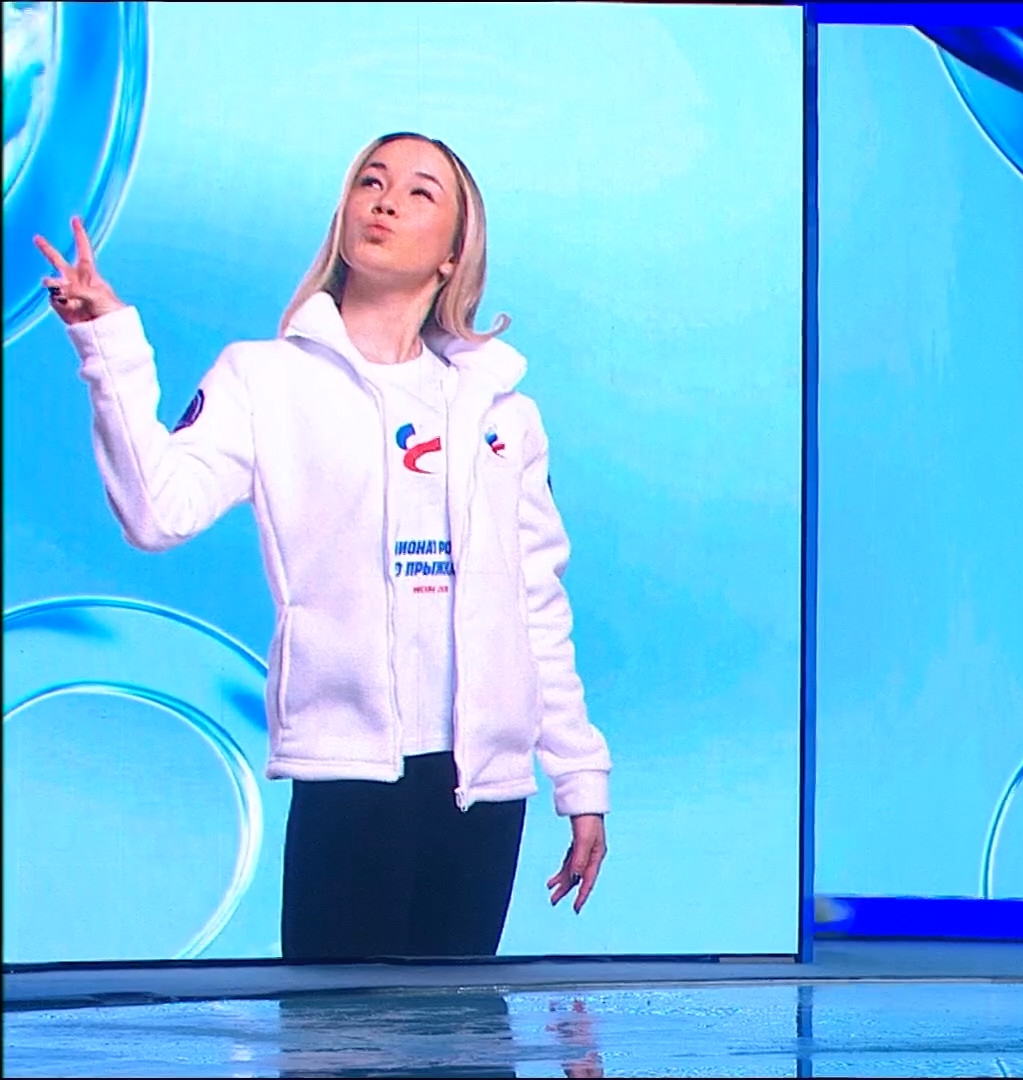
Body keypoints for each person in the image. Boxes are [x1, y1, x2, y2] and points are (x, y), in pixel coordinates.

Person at [34, 132, 612, 961]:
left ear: (454, 254)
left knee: (461, 1030)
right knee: (333, 1029)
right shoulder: (263, 379)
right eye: (370, 182)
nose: (385, 200)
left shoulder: (502, 412)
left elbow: (536, 607)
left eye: (419, 192)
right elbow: (158, 513)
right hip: (348, 772)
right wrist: (108, 343)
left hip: (482, 790)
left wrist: (580, 777)